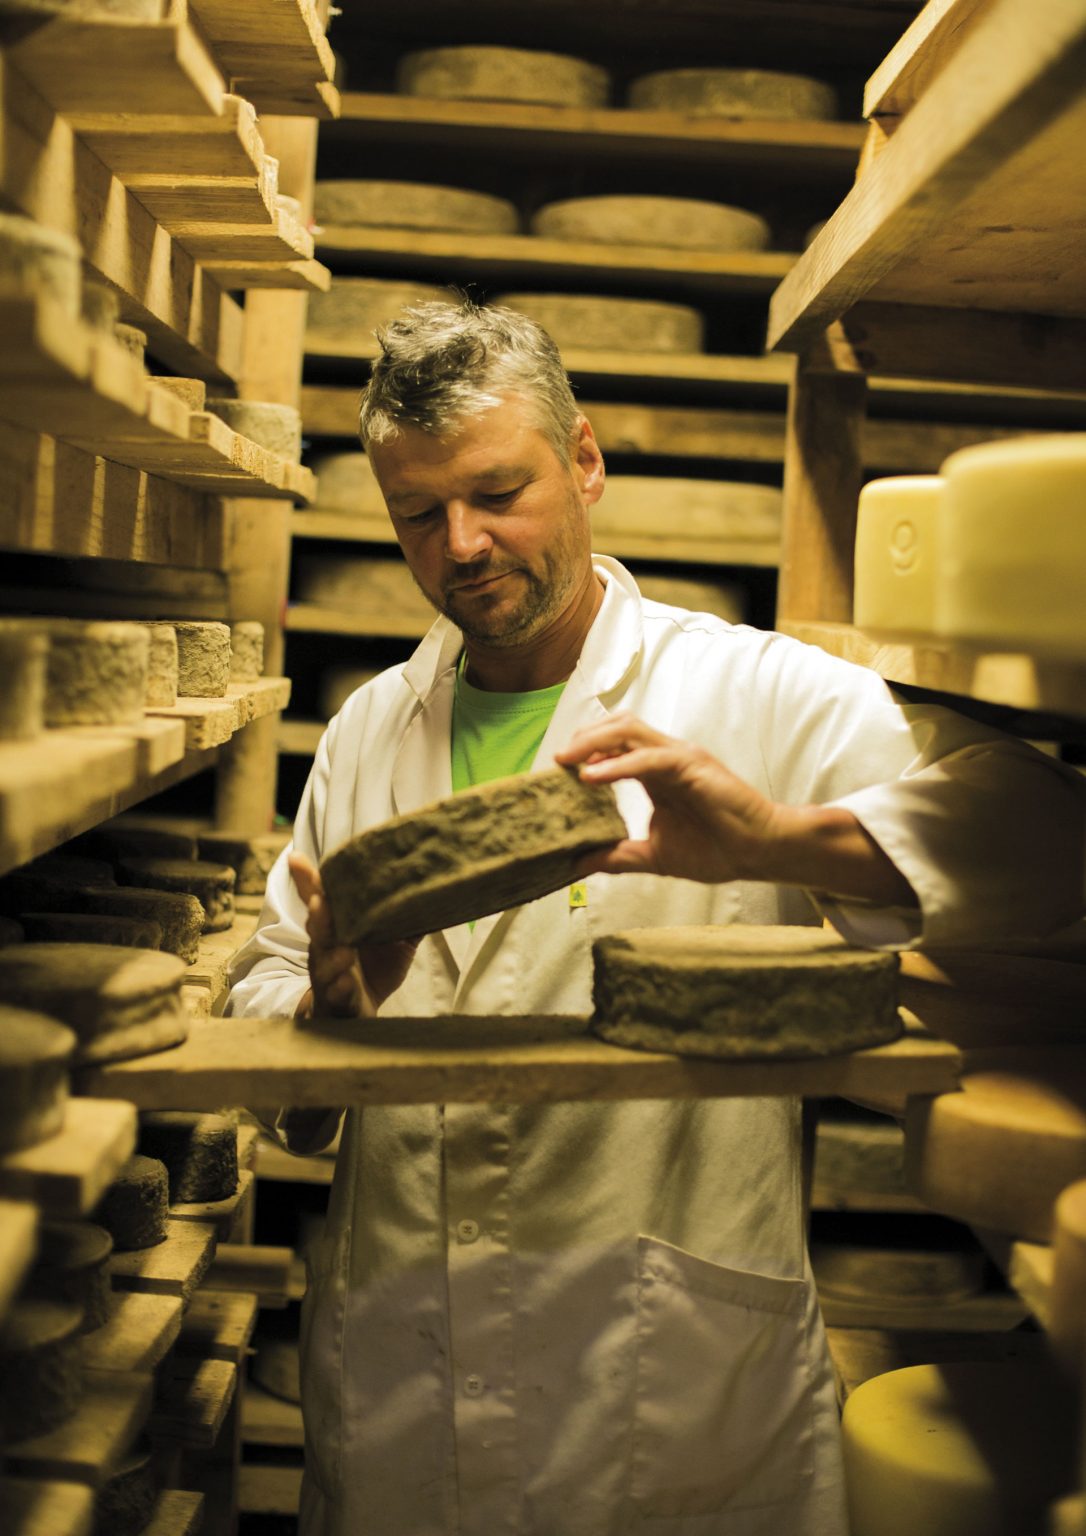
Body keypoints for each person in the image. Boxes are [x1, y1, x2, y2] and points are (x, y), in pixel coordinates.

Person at [228, 299, 1085, 1536]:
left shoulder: (745, 690)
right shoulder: (370, 730)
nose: (461, 543)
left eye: (498, 492)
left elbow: (1049, 838)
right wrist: (324, 1011)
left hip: (666, 1400)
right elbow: (274, 1036)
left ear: (585, 461)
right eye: (419, 513)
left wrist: (777, 843)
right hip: (403, 1404)